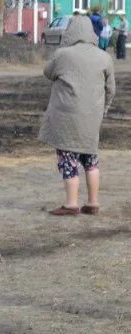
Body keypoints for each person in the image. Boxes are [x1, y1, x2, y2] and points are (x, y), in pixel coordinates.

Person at [38, 15, 115, 216]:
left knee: (68, 159)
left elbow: (47, 72)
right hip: (92, 118)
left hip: (66, 119)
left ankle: (71, 204)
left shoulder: (63, 54)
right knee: (91, 160)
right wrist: (103, 109)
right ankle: (93, 202)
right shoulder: (104, 57)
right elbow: (111, 89)